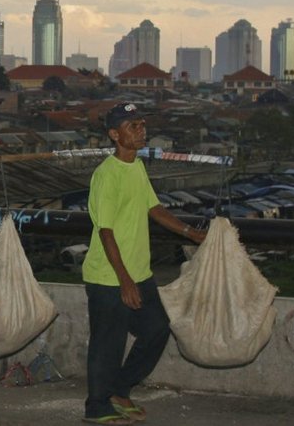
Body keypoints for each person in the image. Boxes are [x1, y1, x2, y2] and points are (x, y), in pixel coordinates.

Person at [83, 102, 206, 424]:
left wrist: (190, 232)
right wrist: (124, 281)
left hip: (140, 272)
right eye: (132, 126)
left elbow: (153, 207)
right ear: (114, 134)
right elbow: (105, 230)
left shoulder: (136, 166)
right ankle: (96, 406)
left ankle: (120, 390)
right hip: (109, 276)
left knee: (156, 329)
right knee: (107, 343)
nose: (141, 131)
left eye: (141, 125)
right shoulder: (106, 175)